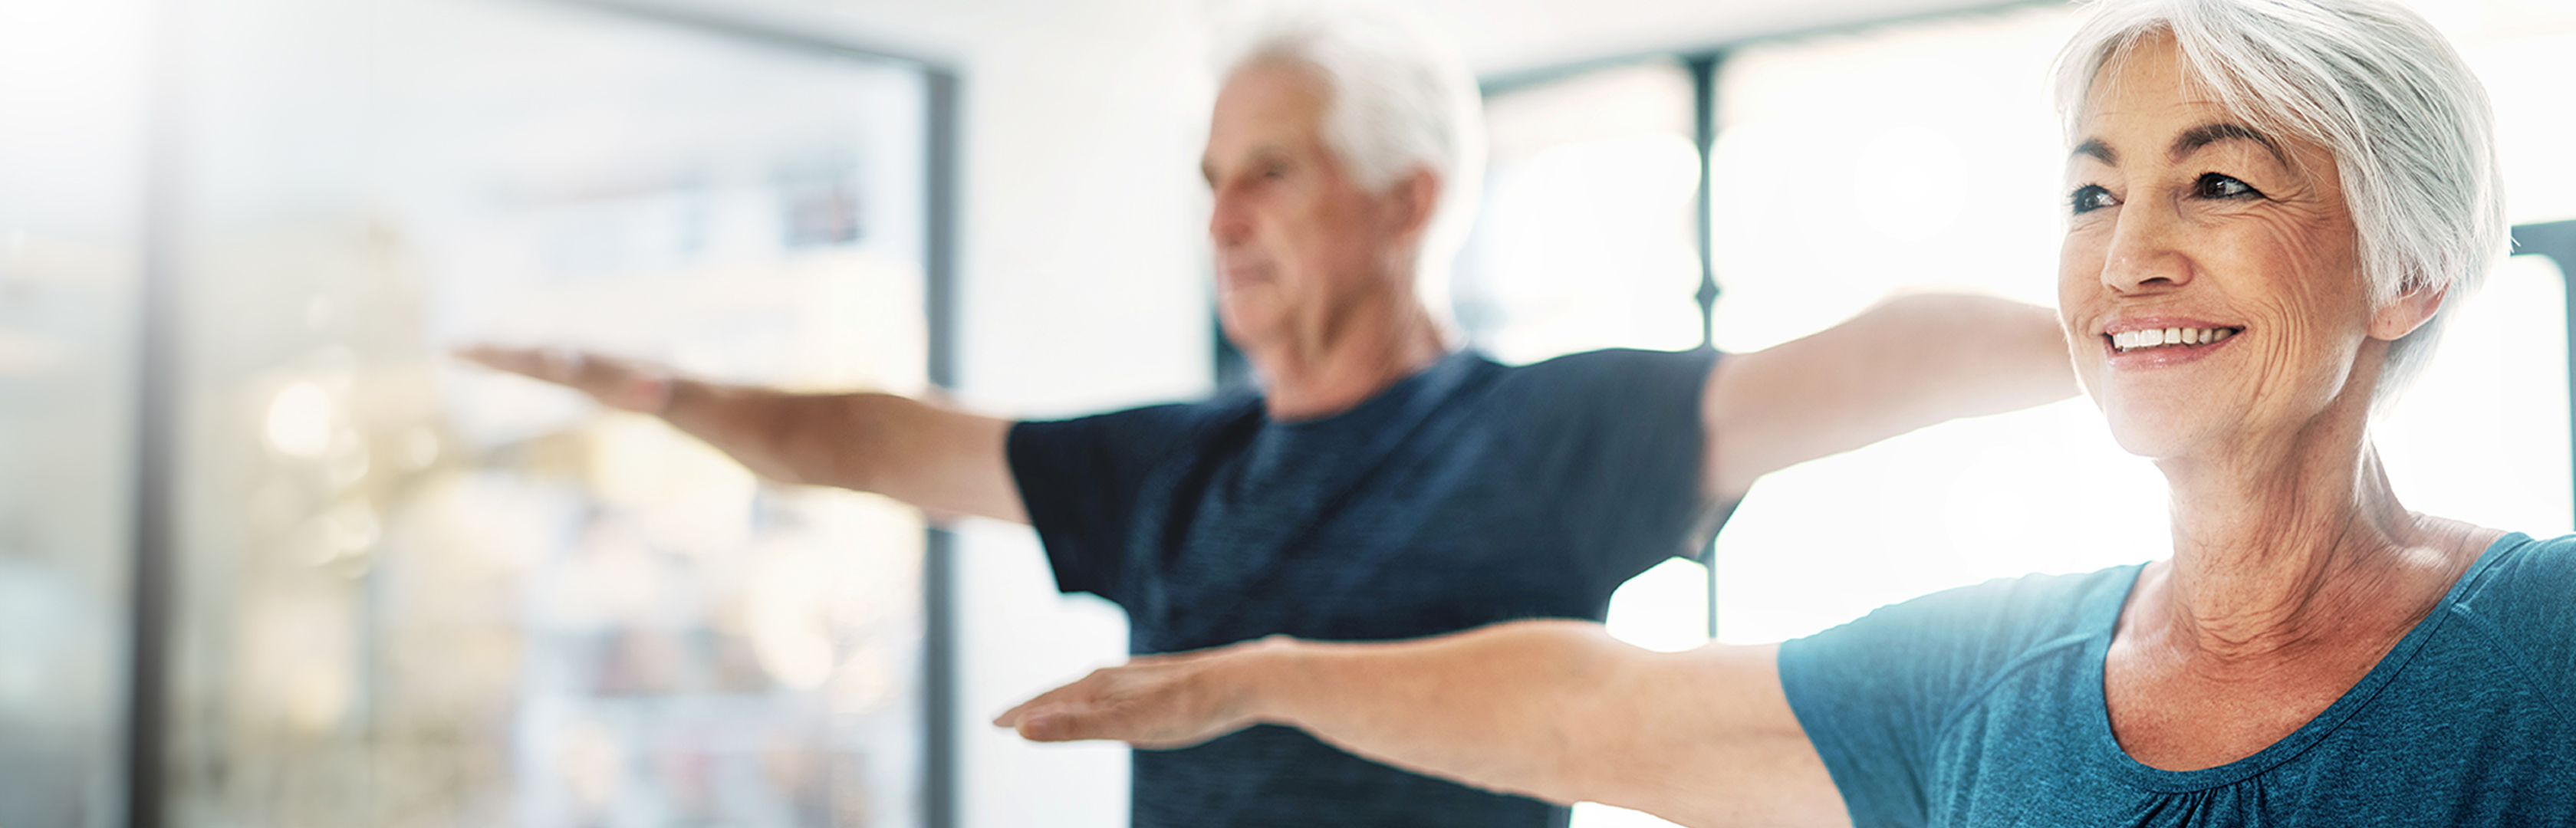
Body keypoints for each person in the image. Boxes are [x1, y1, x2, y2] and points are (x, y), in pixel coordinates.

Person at [989, 0, 2576, 825]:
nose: (2130, 254)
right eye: (2095, 192)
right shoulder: (1994, 678)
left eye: (2221, 181)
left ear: (2409, 272)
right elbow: (1600, 710)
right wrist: (1253, 676)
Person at [461, 8, 2078, 828]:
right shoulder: (1172, 469)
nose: (1224, 219)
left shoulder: (1545, 435)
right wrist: (661, 394)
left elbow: (1863, 363)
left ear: (1407, 200)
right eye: (1212, 181)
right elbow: (887, 444)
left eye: (1272, 174)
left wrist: (2120, 335)